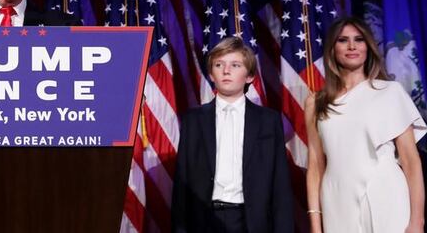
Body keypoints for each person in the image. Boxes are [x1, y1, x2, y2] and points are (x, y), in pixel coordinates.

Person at [305, 17, 426, 233]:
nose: (352, 46)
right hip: (337, 200)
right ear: (332, 49)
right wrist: (316, 226)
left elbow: (410, 161)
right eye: (343, 40)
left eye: (359, 40)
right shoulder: (316, 102)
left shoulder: (390, 92)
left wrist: (417, 222)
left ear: (368, 47)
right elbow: (315, 167)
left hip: (386, 195)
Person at [172, 36, 293, 233]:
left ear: (250, 76)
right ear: (211, 74)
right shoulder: (193, 120)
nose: (226, 71)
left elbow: (279, 184)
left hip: (251, 221)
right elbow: (182, 185)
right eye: (219, 65)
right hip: (205, 220)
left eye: (235, 65)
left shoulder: (267, 121)